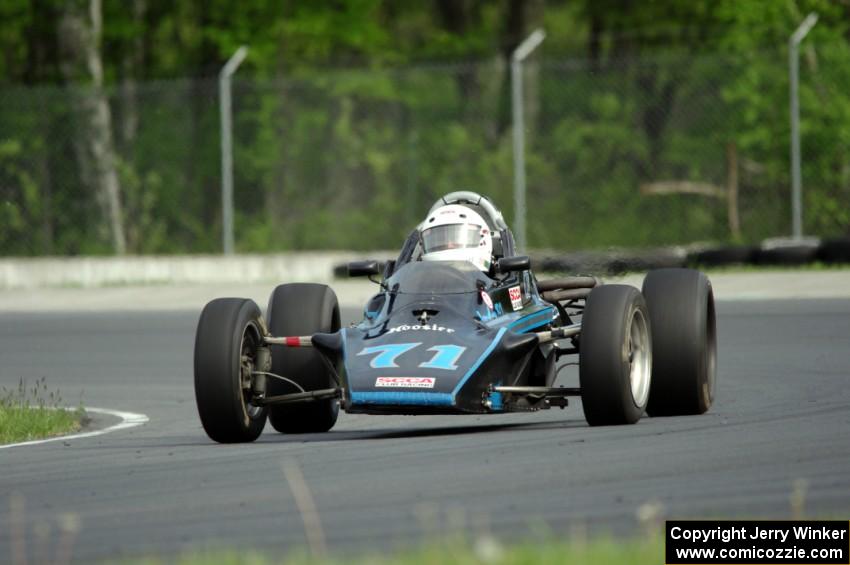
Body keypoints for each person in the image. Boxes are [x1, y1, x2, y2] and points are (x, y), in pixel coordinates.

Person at [420, 204, 493, 272]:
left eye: (455, 237)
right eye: (440, 239)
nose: (449, 245)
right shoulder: (418, 282)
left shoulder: (499, 281)